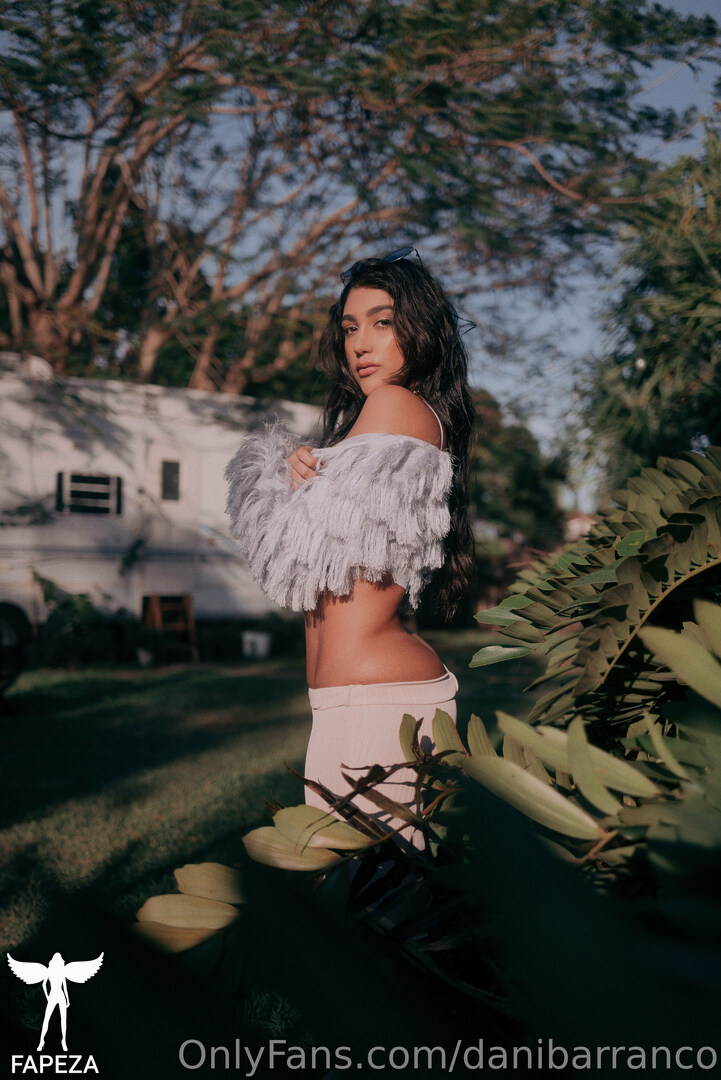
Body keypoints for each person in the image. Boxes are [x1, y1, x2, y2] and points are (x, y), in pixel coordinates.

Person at [226, 248, 475, 845]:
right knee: (367, 889)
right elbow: (324, 553)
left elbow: (294, 547)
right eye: (350, 327)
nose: (360, 344)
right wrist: (300, 471)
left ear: (420, 329)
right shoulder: (390, 419)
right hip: (357, 697)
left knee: (369, 889)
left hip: (376, 699)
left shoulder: (394, 403)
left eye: (382, 323)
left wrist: (282, 478)